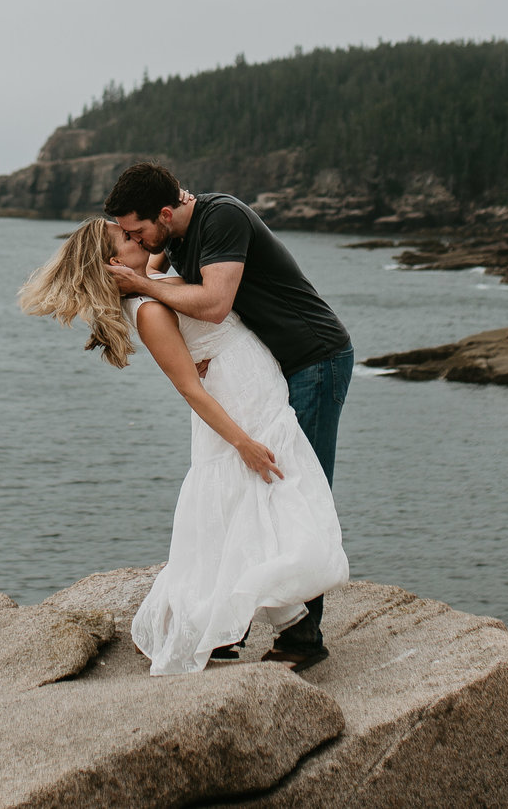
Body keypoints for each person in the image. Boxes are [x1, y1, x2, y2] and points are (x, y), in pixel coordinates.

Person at [18, 217, 348, 674]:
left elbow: (157, 251)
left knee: (249, 504)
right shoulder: (148, 308)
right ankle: (265, 628)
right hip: (236, 402)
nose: (141, 240)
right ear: (116, 263)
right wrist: (243, 444)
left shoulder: (145, 280)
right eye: (129, 239)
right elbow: (191, 389)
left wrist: (164, 220)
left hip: (248, 383)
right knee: (257, 499)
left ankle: (249, 629)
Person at [102, 163, 354, 667]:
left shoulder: (220, 218)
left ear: (166, 213)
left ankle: (302, 638)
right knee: (268, 487)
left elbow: (214, 305)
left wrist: (144, 285)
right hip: (272, 368)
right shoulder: (169, 240)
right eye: (127, 235)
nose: (136, 240)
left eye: (137, 229)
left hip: (314, 358)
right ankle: (238, 623)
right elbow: (195, 312)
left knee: (291, 487)